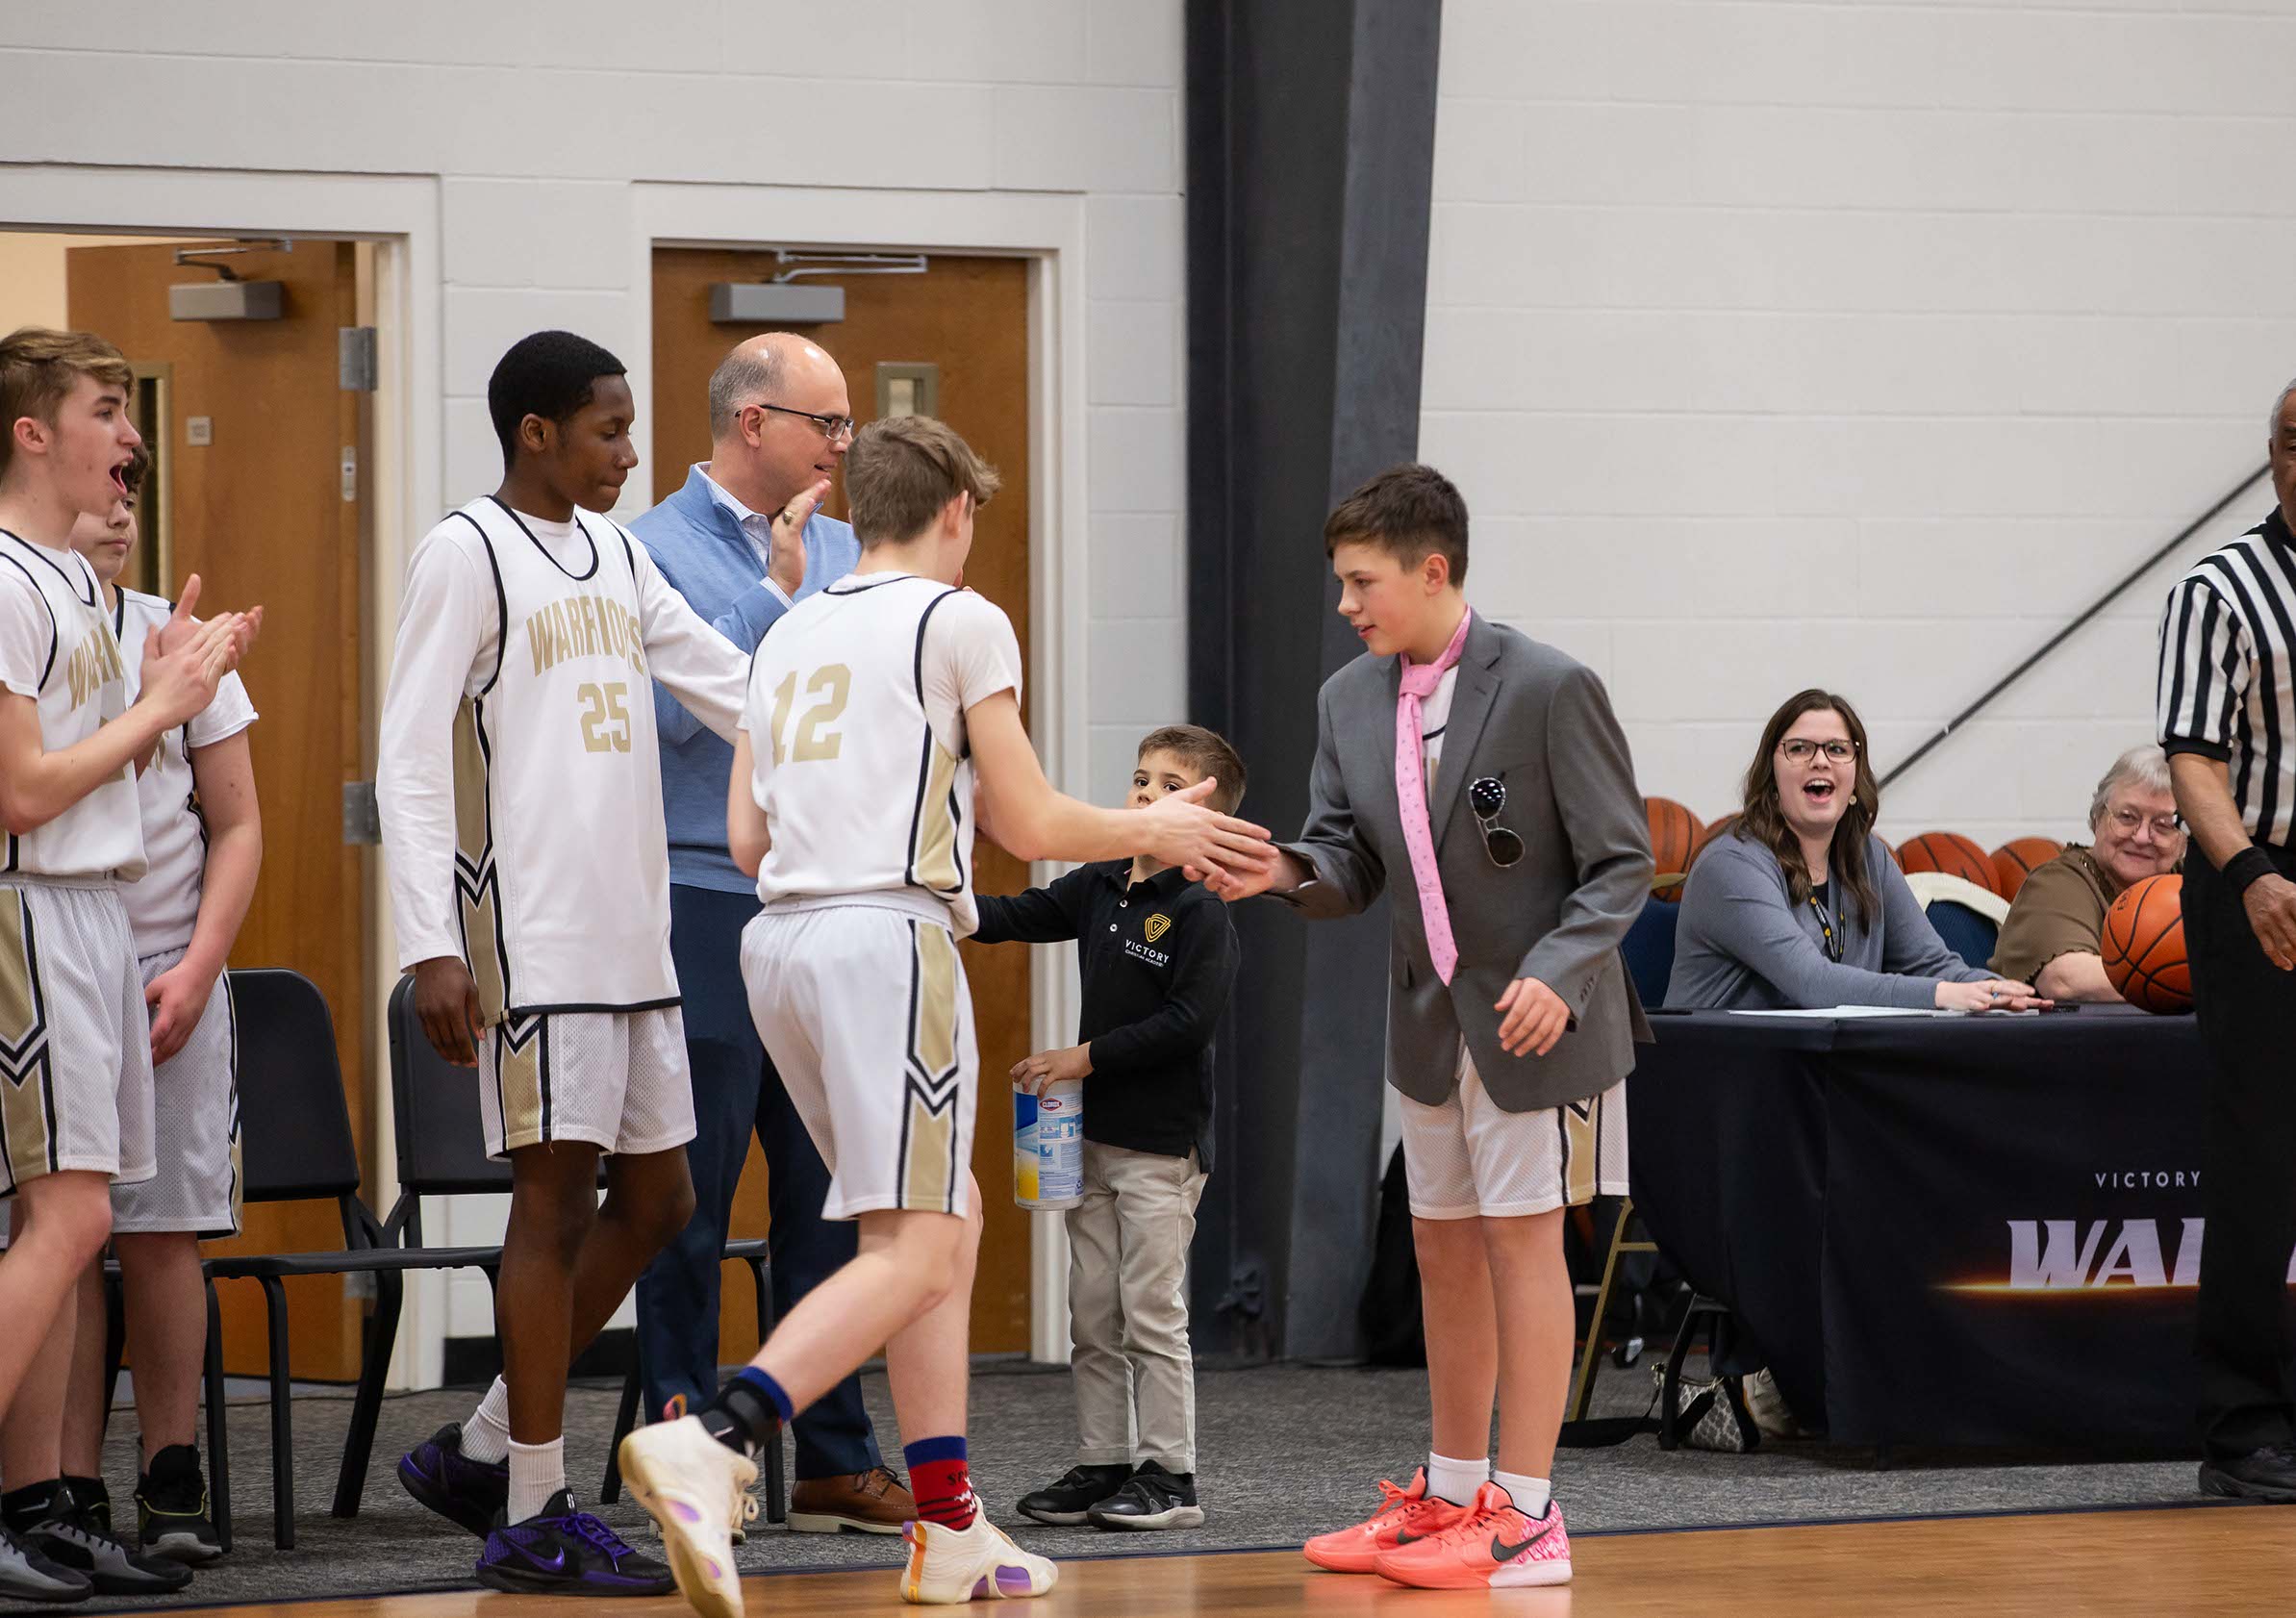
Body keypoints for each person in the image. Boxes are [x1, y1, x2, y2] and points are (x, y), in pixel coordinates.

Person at [618, 415, 1274, 1617]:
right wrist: (1156, 825)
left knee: (944, 1221)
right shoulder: (958, 618)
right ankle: (717, 1434)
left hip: (777, 941)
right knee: (918, 1244)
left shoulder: (784, 627)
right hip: (885, 940)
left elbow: (748, 836)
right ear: (957, 510)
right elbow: (1027, 821)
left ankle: (950, 1523)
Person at [1201, 464, 1650, 1591]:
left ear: (1431, 569)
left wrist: (1557, 970)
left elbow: (1620, 863)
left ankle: (1529, 1513)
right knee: (1441, 1248)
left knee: (1522, 1244)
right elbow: (1345, 860)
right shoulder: (1347, 699)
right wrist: (1277, 869)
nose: (1345, 603)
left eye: (1362, 581)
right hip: (1427, 1019)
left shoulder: (1548, 684)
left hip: (1539, 1022)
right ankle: (1448, 1493)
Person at [378, 330, 756, 1595]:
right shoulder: (465, 551)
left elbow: (726, 683)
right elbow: (409, 755)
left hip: (633, 930)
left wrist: (854, 723)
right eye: (608, 428)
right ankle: (532, 1509)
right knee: (550, 1206)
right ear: (535, 431)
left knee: (661, 1201)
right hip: (532, 935)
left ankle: (486, 1442)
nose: (629, 451)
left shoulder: (618, 551)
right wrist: (431, 941)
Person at [629, 333, 909, 1534]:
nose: (842, 444)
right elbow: (661, 720)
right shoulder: (645, 550)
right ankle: (689, 1450)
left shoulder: (850, 548)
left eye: (847, 424)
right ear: (754, 422)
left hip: (820, 899)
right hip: (698, 895)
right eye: (825, 422)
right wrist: (771, 598)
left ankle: (835, 1453)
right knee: (689, 1197)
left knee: (827, 1189)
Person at [0, 327, 248, 1603]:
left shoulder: (75, 586)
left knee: (80, 1216)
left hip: (97, 911)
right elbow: (21, 791)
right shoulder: (7, 577)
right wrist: (159, 707)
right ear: (33, 431)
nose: (131, 433)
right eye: (106, 409)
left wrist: (159, 693)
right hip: (32, 907)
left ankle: (41, 1504)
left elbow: (104, 773)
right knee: (69, 1219)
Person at [52, 446, 259, 1567]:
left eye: (133, 493)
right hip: (55, 966)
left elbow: (237, 825)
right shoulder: (30, 630)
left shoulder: (183, 639)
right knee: (63, 1237)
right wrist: (146, 702)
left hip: (170, 972)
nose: (121, 510)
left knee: (163, 1232)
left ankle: (172, 1473)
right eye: (104, 489)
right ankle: (65, 1482)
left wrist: (199, 966)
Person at [978, 724, 1245, 1534]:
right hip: (1089, 1143)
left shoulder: (1199, 909)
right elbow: (1013, 914)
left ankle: (1171, 1475)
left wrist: (1080, 1058)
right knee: (1091, 1312)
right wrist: (930, 895)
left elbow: (1187, 1023)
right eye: (1141, 779)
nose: (1146, 795)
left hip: (1159, 1149)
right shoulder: (1100, 883)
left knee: (1149, 1310)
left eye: (1171, 787)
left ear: (1209, 818)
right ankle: (1104, 1462)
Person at [2157, 373, 2296, 1503]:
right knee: (2262, 1156)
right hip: (2261, 872)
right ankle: (2242, 1424)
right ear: (2271, 456)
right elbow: (2192, 759)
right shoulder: (2220, 588)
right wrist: (2248, 873)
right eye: (2294, 442)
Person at [1667, 689, 2046, 1015]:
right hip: (1725, 1064)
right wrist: (1943, 995)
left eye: (1837, 749)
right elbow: (1811, 982)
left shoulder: (1868, 857)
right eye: (1799, 748)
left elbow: (1931, 964)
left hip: (1821, 1063)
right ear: (1771, 777)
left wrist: (2002, 991)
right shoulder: (1731, 865)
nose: (1820, 760)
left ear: (1854, 777)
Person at [1991, 745, 2184, 1000]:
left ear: (2185, 839)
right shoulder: (2055, 884)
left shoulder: (2193, 882)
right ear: (2097, 818)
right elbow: (2066, 980)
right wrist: (2204, 983)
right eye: (2127, 817)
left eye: (2164, 825)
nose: (2141, 837)